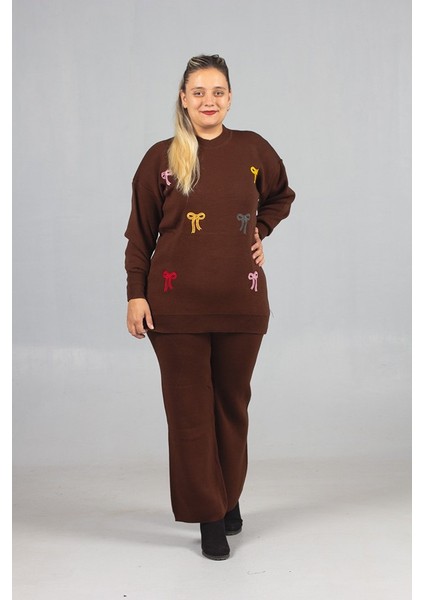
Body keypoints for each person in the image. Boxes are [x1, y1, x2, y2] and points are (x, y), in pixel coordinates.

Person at [124, 54, 295, 560]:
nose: (208, 100)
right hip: (174, 310)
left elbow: (281, 195)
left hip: (242, 304)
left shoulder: (253, 149)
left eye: (218, 91)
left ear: (230, 97)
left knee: (231, 406)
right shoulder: (161, 158)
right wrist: (136, 293)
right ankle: (210, 516)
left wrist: (260, 229)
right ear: (183, 98)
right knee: (190, 414)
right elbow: (140, 234)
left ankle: (228, 493)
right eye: (198, 91)